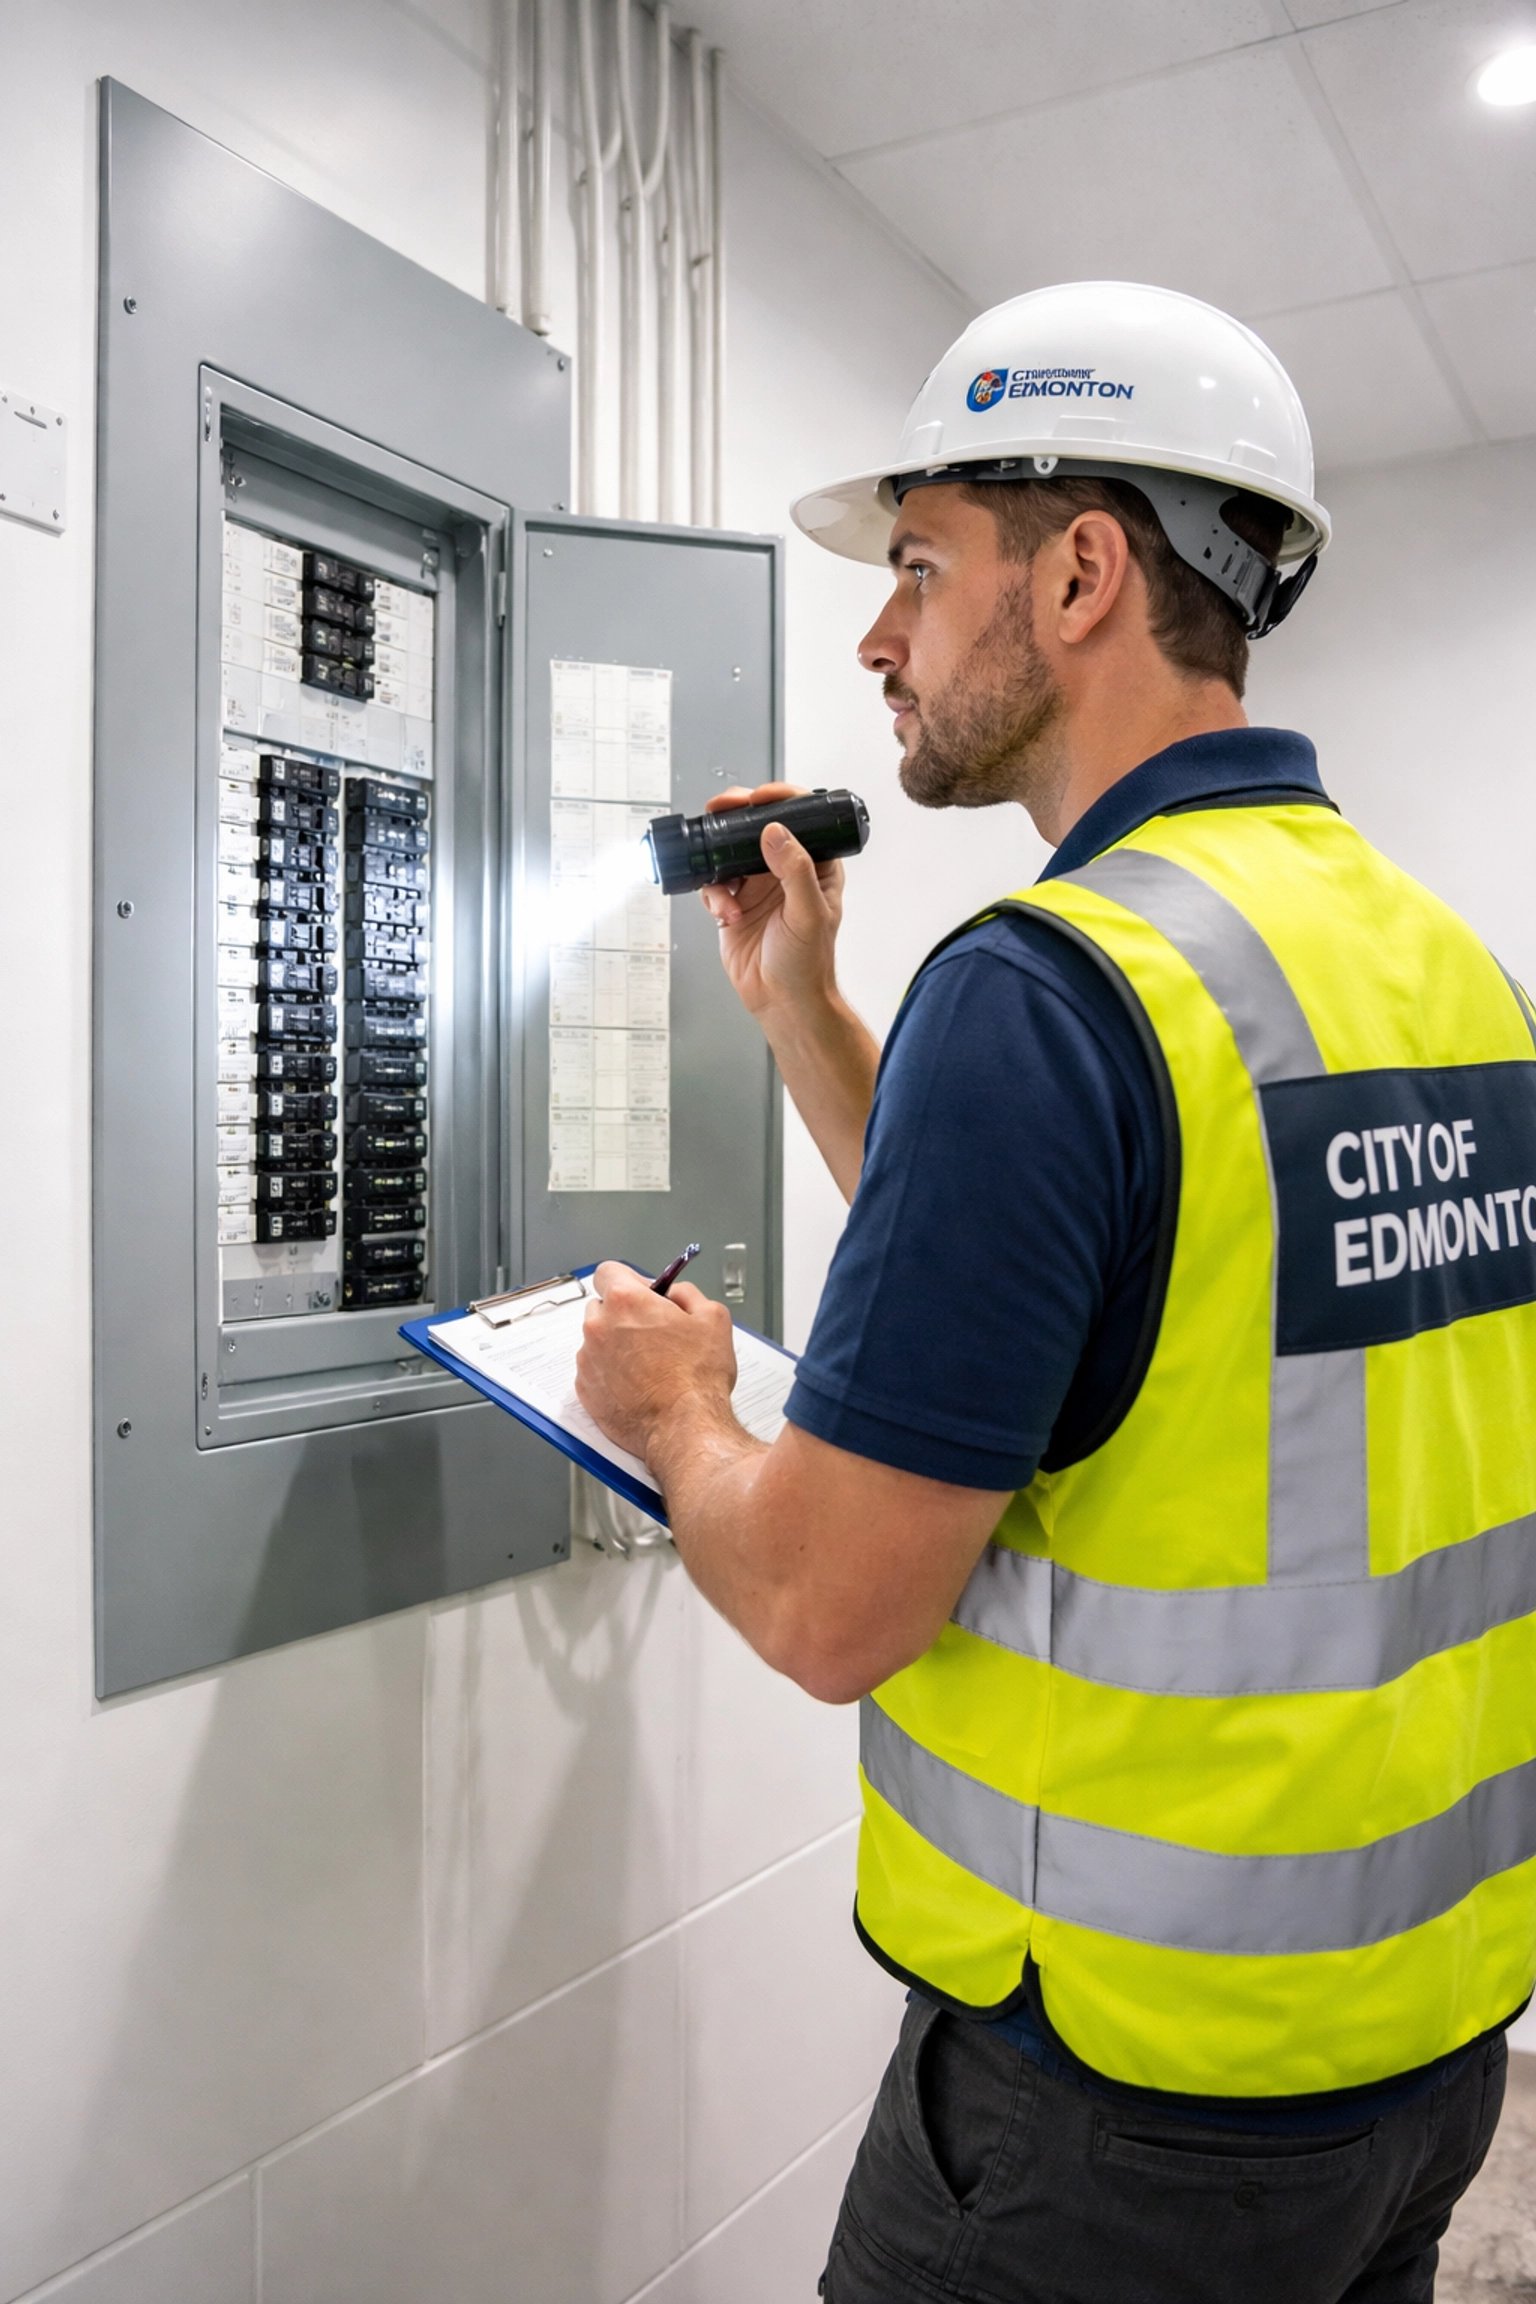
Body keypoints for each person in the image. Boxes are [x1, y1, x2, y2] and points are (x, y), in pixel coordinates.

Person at [575, 281, 1536, 2302]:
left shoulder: (1050, 986)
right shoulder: (1439, 974)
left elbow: (840, 1605)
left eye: (921, 567)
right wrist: (808, 1014)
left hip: (1115, 2108)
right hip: (1415, 2052)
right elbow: (1087, 1309)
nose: (877, 636)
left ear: (1084, 571)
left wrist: (675, 1413)